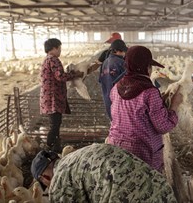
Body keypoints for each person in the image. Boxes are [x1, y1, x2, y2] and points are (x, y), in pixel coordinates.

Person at [106, 45, 183, 172]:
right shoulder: (149, 92)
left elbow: (132, 111)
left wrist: (159, 103)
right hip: (142, 153)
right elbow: (163, 126)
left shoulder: (116, 87)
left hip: (117, 147)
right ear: (147, 68)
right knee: (144, 188)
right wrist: (174, 105)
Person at [30, 143, 177, 202]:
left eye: (46, 185)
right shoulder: (82, 155)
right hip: (163, 192)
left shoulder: (59, 181)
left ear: (45, 177)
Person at [40, 38, 83, 153]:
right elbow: (60, 76)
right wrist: (74, 74)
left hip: (49, 97)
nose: (60, 51)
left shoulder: (47, 60)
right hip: (53, 98)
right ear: (53, 48)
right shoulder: (53, 59)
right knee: (55, 124)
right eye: (59, 48)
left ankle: (56, 148)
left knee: (56, 123)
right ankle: (47, 149)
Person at [99, 39, 128, 120]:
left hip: (107, 99)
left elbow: (101, 81)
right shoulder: (121, 63)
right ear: (116, 51)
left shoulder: (104, 63)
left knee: (114, 124)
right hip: (119, 100)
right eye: (122, 51)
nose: (124, 53)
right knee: (122, 124)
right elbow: (127, 79)